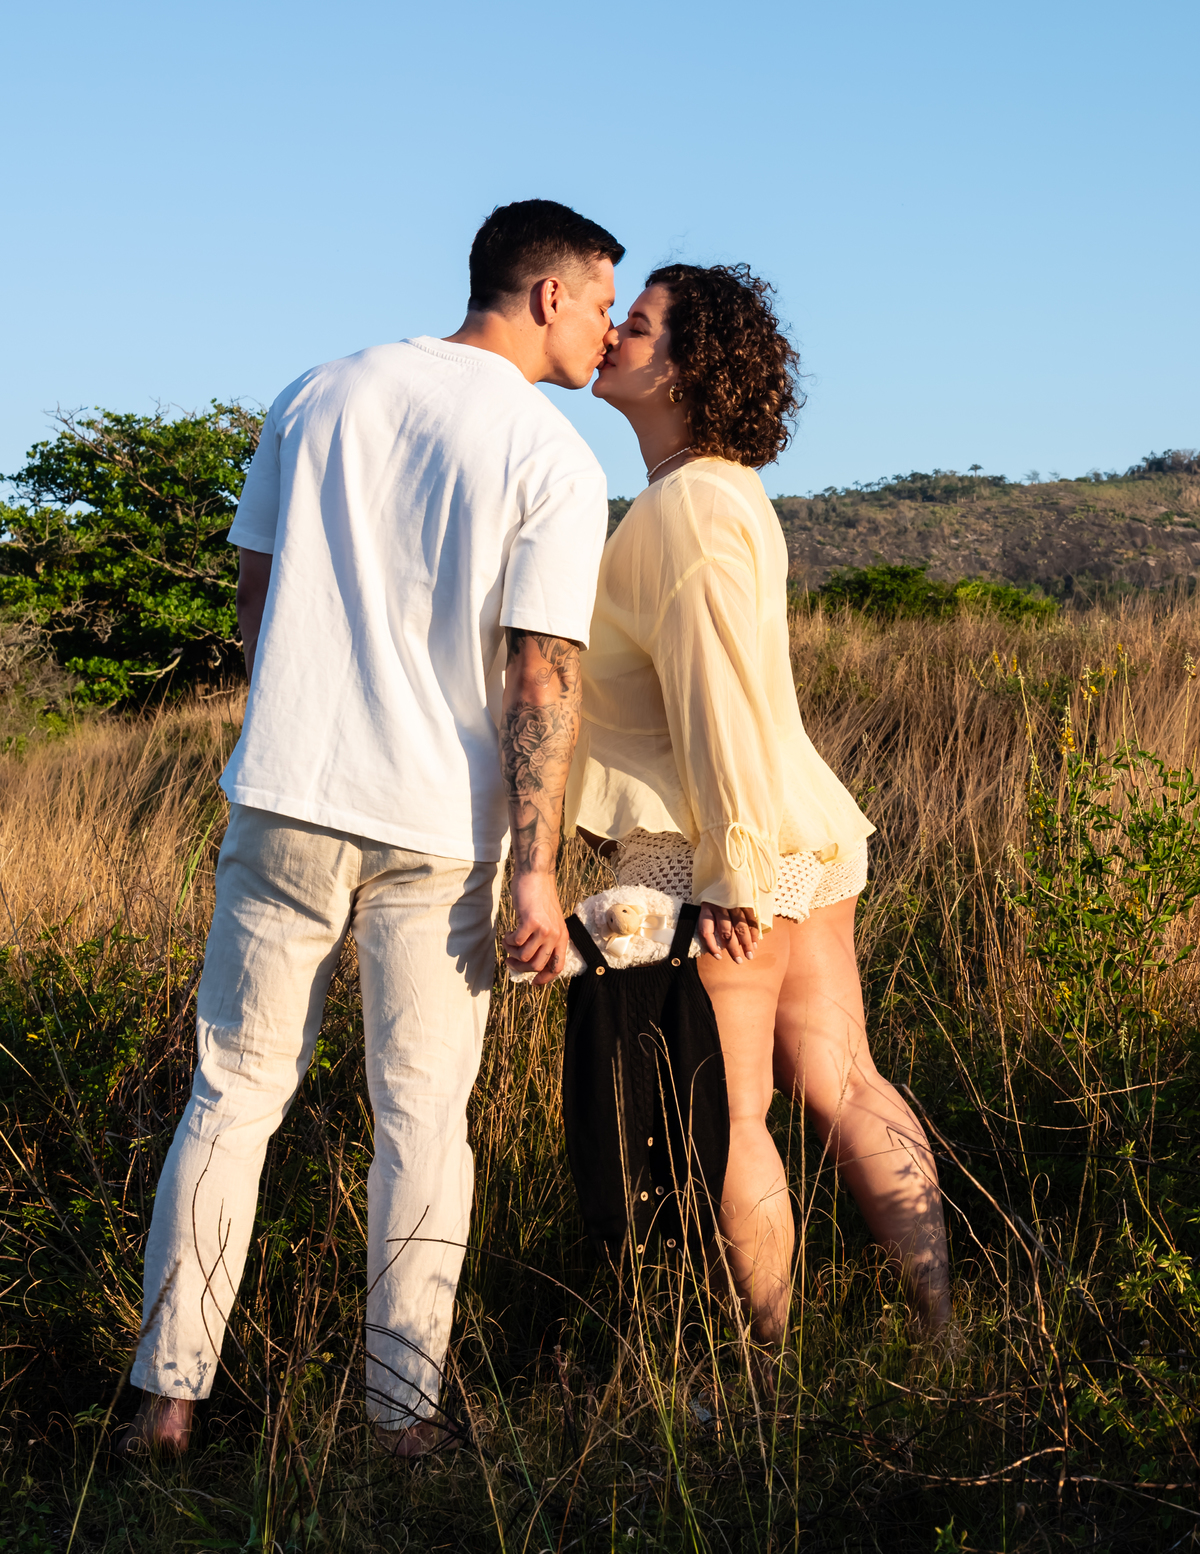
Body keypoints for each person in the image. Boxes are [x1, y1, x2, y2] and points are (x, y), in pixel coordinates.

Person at [119, 199, 623, 1458]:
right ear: (549, 293)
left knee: (231, 1095)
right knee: (423, 1120)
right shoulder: (554, 458)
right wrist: (537, 866)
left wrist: (304, 719)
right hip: (439, 824)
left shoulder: (321, 390)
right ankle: (401, 1418)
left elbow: (255, 596)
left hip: (288, 792)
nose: (609, 333)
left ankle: (167, 1400)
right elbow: (541, 673)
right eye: (603, 304)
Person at [566, 263, 950, 1343]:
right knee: (845, 1081)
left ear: (684, 369)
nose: (613, 335)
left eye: (639, 326)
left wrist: (733, 869)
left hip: (717, 847)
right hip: (798, 829)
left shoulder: (684, 506)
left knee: (730, 1115)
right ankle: (943, 1330)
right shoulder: (722, 490)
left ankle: (768, 1369)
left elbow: (714, 691)